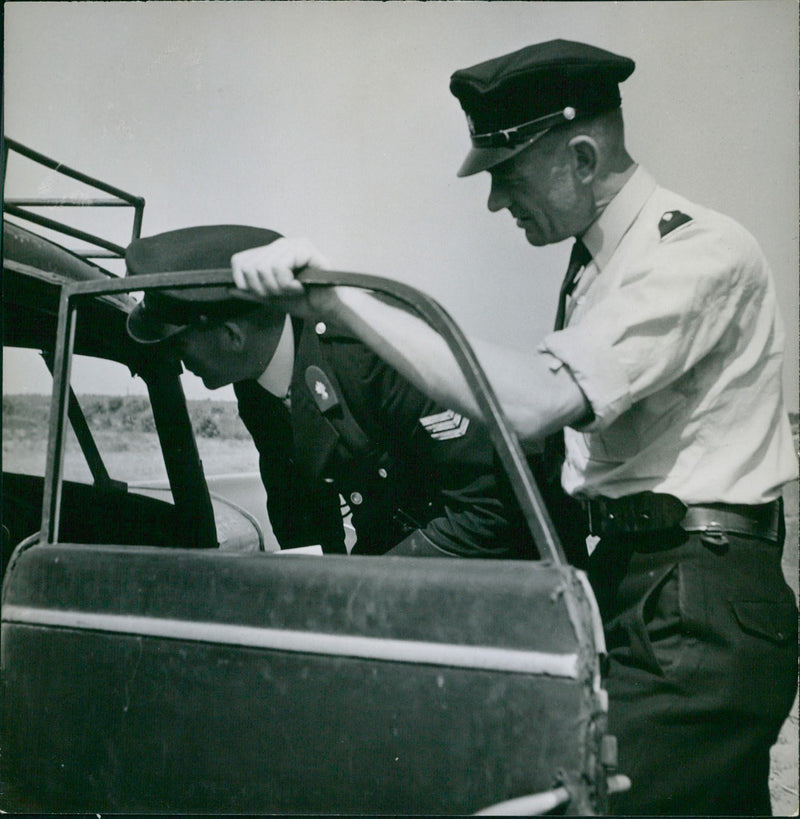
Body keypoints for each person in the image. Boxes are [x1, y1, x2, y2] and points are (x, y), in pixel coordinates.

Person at [227, 40, 799, 816]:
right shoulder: (602, 267)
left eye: (509, 174)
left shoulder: (695, 253)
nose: (498, 202)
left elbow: (532, 402)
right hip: (643, 580)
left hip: (694, 602)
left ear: (585, 156)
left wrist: (338, 303)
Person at [125, 224, 532, 560]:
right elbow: (297, 506)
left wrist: (362, 587)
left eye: (178, 344)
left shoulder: (372, 351)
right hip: (403, 564)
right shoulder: (257, 385)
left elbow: (490, 509)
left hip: (508, 571)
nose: (177, 362)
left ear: (232, 336)